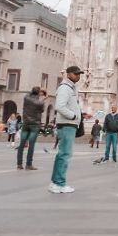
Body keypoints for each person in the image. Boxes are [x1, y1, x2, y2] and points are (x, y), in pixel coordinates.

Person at [49, 66, 87, 194]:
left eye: (79, 74)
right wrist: (74, 116)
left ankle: (55, 183)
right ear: (69, 74)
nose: (78, 76)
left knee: (62, 154)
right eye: (76, 74)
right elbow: (60, 106)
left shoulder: (70, 88)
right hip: (67, 124)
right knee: (65, 154)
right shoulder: (65, 88)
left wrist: (81, 114)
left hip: (68, 124)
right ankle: (59, 183)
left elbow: (68, 105)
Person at [18, 86, 45, 170]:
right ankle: (28, 164)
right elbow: (41, 110)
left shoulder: (26, 98)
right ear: (39, 93)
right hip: (34, 125)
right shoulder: (39, 102)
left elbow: (29, 94)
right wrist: (43, 99)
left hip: (25, 123)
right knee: (31, 145)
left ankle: (19, 164)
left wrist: (35, 92)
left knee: (21, 144)